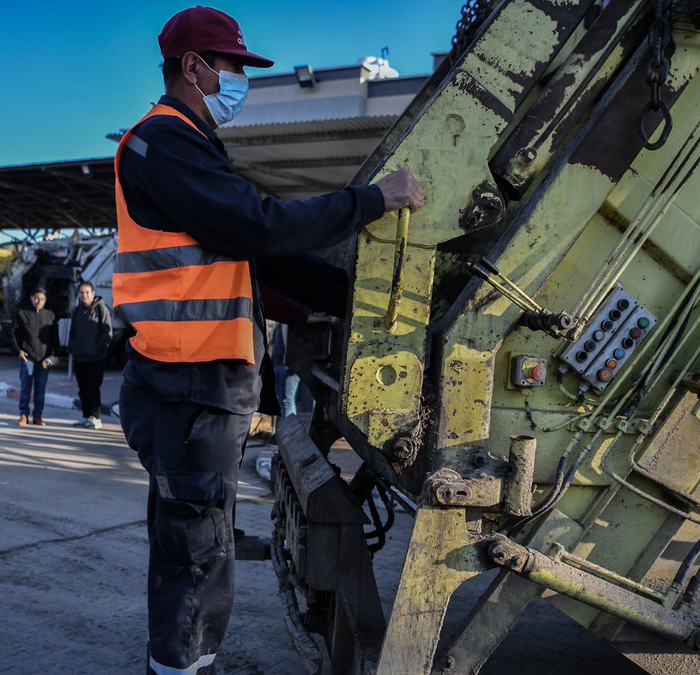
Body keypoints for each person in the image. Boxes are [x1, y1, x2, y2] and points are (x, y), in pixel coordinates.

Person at [112, 7, 423, 674]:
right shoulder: (161, 142)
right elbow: (260, 228)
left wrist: (349, 306)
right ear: (193, 67)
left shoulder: (191, 148)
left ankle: (179, 662)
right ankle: (181, 667)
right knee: (197, 556)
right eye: (230, 68)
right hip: (186, 387)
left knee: (195, 542)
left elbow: (262, 257)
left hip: (195, 388)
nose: (238, 82)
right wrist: (373, 200)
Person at [68, 281, 113, 429]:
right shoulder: (77, 311)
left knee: (93, 387)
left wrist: (96, 348)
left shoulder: (101, 309)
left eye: (87, 292)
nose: (84, 295)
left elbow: (107, 334)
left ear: (93, 293)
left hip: (96, 358)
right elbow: (73, 332)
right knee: (83, 389)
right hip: (80, 358)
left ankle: (96, 418)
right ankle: (86, 416)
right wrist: (73, 348)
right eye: (81, 292)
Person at [12, 287, 59, 427]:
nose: (39, 301)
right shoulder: (23, 314)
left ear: (45, 301)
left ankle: (38, 415)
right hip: (28, 359)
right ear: (32, 298)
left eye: (42, 299)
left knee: (41, 388)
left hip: (44, 360)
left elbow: (54, 337)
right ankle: (23, 415)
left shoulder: (50, 316)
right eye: (36, 298)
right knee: (26, 388)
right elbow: (13, 334)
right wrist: (18, 350)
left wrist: (57, 355)